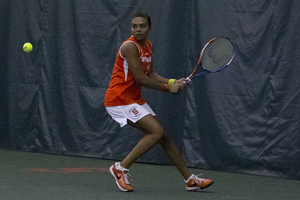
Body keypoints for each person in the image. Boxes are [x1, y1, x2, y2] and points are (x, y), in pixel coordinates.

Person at [104, 11, 214, 192]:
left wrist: (172, 82)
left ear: (149, 28)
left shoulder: (148, 45)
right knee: (156, 132)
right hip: (118, 99)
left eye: (142, 26)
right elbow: (140, 79)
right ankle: (120, 168)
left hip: (133, 99)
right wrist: (167, 88)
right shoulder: (129, 47)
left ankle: (190, 180)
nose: (138, 30)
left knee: (164, 137)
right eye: (134, 26)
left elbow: (151, 74)